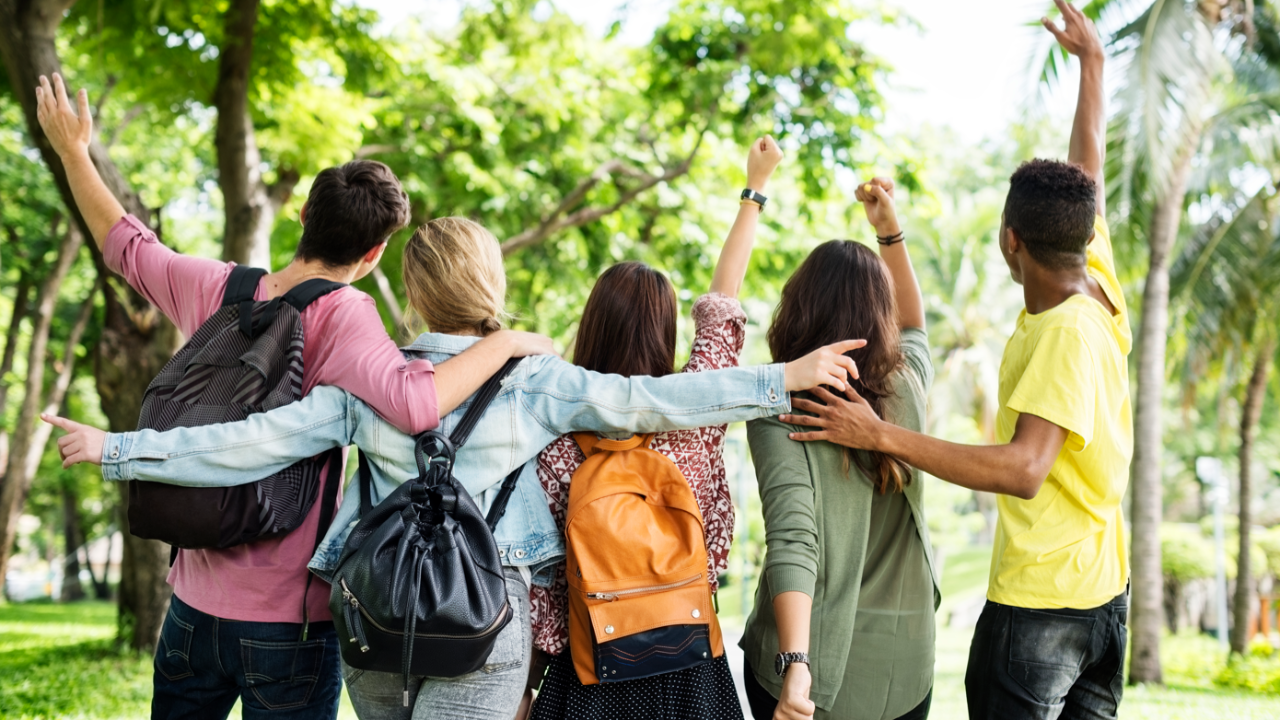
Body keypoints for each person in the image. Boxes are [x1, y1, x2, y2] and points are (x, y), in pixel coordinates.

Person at [47, 214, 866, 720]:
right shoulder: (533, 378)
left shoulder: (366, 382)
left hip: (374, 623)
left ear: (411, 289)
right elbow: (656, 402)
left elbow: (246, 443)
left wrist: (117, 447)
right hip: (485, 626)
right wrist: (780, 379)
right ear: (493, 282)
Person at [34, 73, 552, 720]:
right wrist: (505, 345)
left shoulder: (217, 288)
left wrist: (74, 151)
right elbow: (417, 404)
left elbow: (127, 248)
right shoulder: (345, 314)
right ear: (373, 254)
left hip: (191, 609)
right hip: (289, 622)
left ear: (302, 214)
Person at [779, 3, 1132, 718]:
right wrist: (1093, 67)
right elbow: (1086, 171)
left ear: (1010, 242)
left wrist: (878, 434)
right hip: (1104, 601)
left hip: (1043, 612)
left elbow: (1024, 469)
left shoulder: (1065, 332)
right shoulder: (1094, 279)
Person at [528, 136, 784, 720]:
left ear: (591, 326)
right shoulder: (693, 416)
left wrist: (527, 686)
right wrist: (755, 188)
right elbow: (723, 304)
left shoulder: (553, 433)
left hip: (590, 668)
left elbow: (545, 584)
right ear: (664, 332)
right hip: (689, 660)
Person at [738, 176, 936, 720]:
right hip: (904, 670)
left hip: (816, 671)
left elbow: (793, 540)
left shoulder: (783, 407)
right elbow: (915, 324)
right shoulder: (907, 386)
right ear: (881, 315)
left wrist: (795, 662)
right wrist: (889, 233)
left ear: (798, 307)